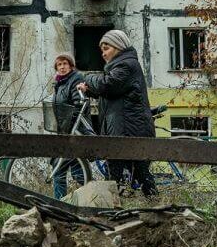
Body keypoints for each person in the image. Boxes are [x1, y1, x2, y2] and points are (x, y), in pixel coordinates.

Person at [78, 30, 158, 196]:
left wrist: (87, 78)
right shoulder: (121, 66)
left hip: (130, 131)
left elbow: (108, 85)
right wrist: (90, 91)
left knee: (134, 173)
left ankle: (118, 208)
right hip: (123, 130)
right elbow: (112, 94)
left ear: (118, 47)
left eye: (106, 48)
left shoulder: (126, 65)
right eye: (102, 50)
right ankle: (124, 206)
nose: (103, 53)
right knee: (125, 174)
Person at [50, 52, 93, 198]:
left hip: (74, 131)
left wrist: (70, 125)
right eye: (59, 64)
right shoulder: (59, 83)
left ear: (71, 65)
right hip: (66, 132)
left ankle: (59, 204)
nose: (62, 67)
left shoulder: (75, 80)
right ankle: (92, 197)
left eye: (65, 64)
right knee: (78, 171)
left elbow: (78, 106)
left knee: (59, 169)